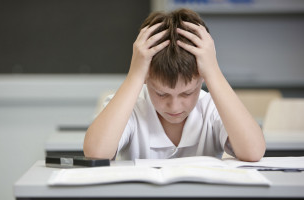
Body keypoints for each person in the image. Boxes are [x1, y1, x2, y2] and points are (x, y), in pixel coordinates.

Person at [83, 8, 266, 162]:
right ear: (146, 79)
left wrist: (213, 72)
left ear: (202, 78)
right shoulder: (130, 106)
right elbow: (96, 154)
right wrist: (135, 75)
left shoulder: (212, 107)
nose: (175, 106)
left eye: (187, 93)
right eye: (162, 94)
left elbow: (253, 151)